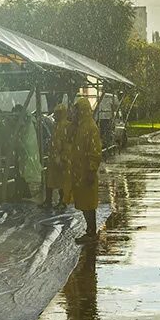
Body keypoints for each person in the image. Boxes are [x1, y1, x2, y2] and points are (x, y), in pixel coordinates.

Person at [67, 97, 103, 244]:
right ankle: (89, 231)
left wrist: (91, 171)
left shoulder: (90, 127)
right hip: (80, 172)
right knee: (83, 203)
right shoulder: (80, 126)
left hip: (86, 173)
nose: (75, 112)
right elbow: (69, 138)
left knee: (88, 204)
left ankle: (91, 233)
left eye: (77, 109)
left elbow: (95, 152)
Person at [44, 102, 72, 207]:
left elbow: (67, 143)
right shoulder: (57, 125)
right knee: (51, 179)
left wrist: (62, 156)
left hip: (62, 157)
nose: (55, 115)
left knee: (61, 180)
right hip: (55, 156)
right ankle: (49, 201)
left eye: (58, 113)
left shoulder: (66, 126)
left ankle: (62, 201)